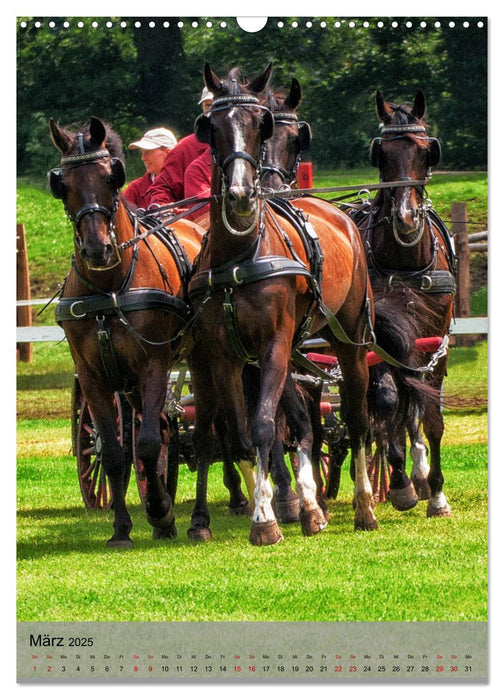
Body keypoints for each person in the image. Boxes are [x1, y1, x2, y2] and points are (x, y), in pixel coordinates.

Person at [144, 87, 213, 209]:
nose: (213, 111)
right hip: (194, 225)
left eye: (218, 105)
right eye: (208, 106)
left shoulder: (252, 145)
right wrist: (164, 211)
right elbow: (162, 189)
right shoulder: (184, 148)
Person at [123, 127, 177, 209]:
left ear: (168, 153)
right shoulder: (135, 190)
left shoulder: (189, 183)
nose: (143, 158)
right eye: (142, 152)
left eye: (148, 152)